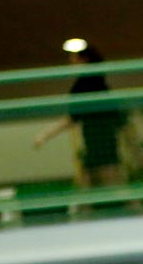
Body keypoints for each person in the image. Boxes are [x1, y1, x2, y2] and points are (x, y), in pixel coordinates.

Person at [33, 45, 127, 192]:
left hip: (101, 143)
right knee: (97, 185)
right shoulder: (96, 85)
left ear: (84, 60)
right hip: (97, 142)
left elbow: (72, 118)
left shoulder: (88, 86)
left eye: (75, 58)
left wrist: (45, 135)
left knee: (111, 185)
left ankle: (142, 213)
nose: (71, 62)